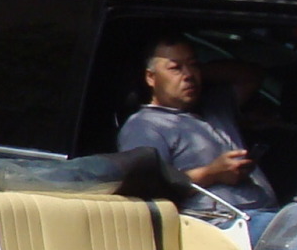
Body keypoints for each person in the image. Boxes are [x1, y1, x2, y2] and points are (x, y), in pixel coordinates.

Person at [117, 35, 278, 231]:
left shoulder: (214, 104)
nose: (188, 75)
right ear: (151, 77)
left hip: (265, 215)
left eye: (193, 65)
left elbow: (251, 75)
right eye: (174, 68)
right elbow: (145, 195)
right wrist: (211, 174)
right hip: (222, 226)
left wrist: (190, 71)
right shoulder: (145, 125)